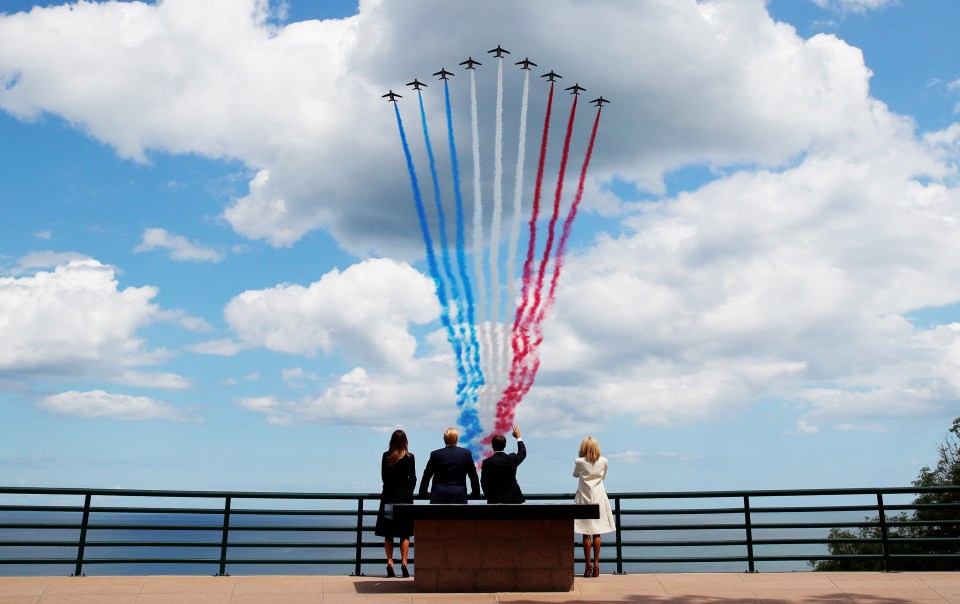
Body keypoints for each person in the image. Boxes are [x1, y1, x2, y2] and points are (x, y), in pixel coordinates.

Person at [374, 429, 416, 578]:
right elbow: (413, 478)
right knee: (405, 533)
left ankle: (390, 562)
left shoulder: (386, 456)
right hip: (404, 499)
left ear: (391, 441)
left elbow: (384, 478)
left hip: (389, 497)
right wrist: (408, 491)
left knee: (389, 532)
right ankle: (404, 562)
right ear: (405, 441)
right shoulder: (410, 457)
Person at [573, 436, 615, 578]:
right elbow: (603, 477)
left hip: (584, 499)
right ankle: (597, 565)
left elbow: (575, 474)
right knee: (597, 533)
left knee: (586, 533)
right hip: (599, 499)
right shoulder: (603, 461)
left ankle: (587, 566)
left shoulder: (579, 461)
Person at [419, 427, 480, 503]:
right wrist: (476, 493)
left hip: (438, 496)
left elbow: (427, 475)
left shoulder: (435, 454)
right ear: (457, 439)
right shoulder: (466, 454)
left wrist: (423, 492)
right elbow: (473, 476)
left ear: (444, 439)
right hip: (459, 496)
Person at [480, 424, 526, 504]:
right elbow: (523, 452)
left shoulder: (487, 462)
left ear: (492, 446)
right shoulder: (512, 459)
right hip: (513, 501)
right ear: (505, 445)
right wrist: (518, 437)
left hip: (494, 501)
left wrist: (489, 496)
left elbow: (484, 482)